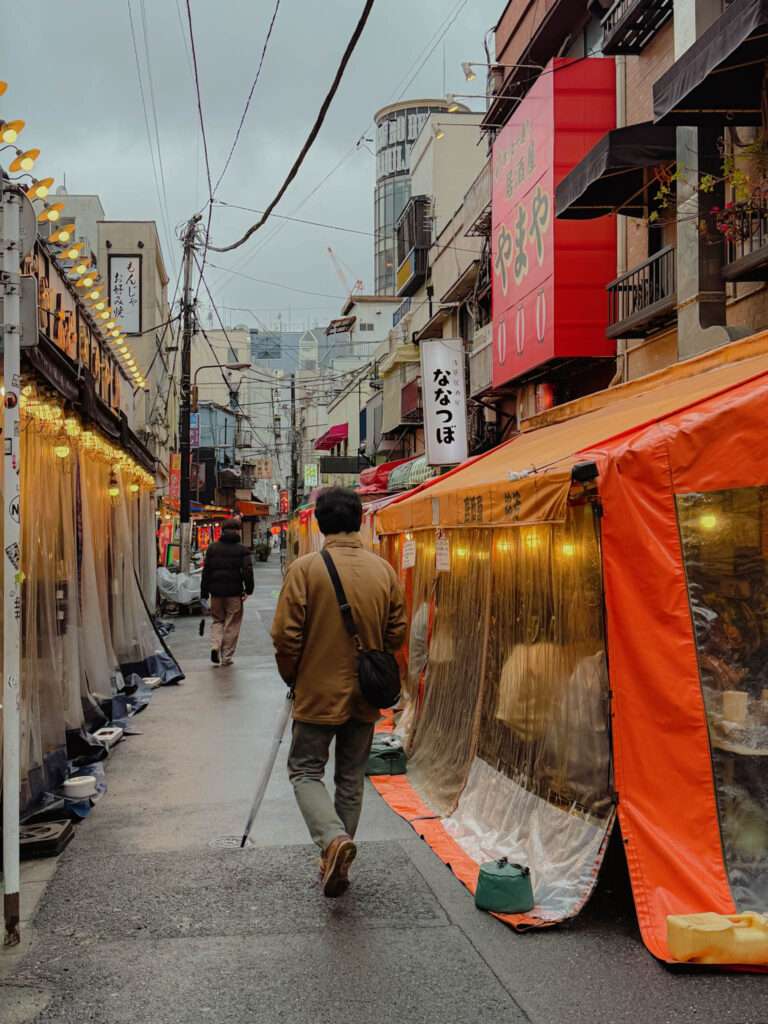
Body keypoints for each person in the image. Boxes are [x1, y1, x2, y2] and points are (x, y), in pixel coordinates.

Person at [271, 487, 407, 898]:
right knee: (351, 777)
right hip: (365, 694)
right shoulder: (383, 570)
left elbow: (284, 636)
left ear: (318, 522)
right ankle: (338, 860)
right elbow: (396, 631)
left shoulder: (306, 569)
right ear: (361, 521)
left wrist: (294, 676)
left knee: (306, 770)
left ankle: (332, 841)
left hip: (316, 692)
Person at [200, 517, 254, 667]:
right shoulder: (242, 550)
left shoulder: (212, 548)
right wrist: (248, 589)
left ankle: (215, 646)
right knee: (232, 623)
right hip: (234, 593)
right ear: (237, 531)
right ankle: (226, 656)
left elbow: (206, 572)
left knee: (217, 620)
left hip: (216, 593)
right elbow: (248, 571)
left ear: (222, 531)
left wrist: (204, 593)